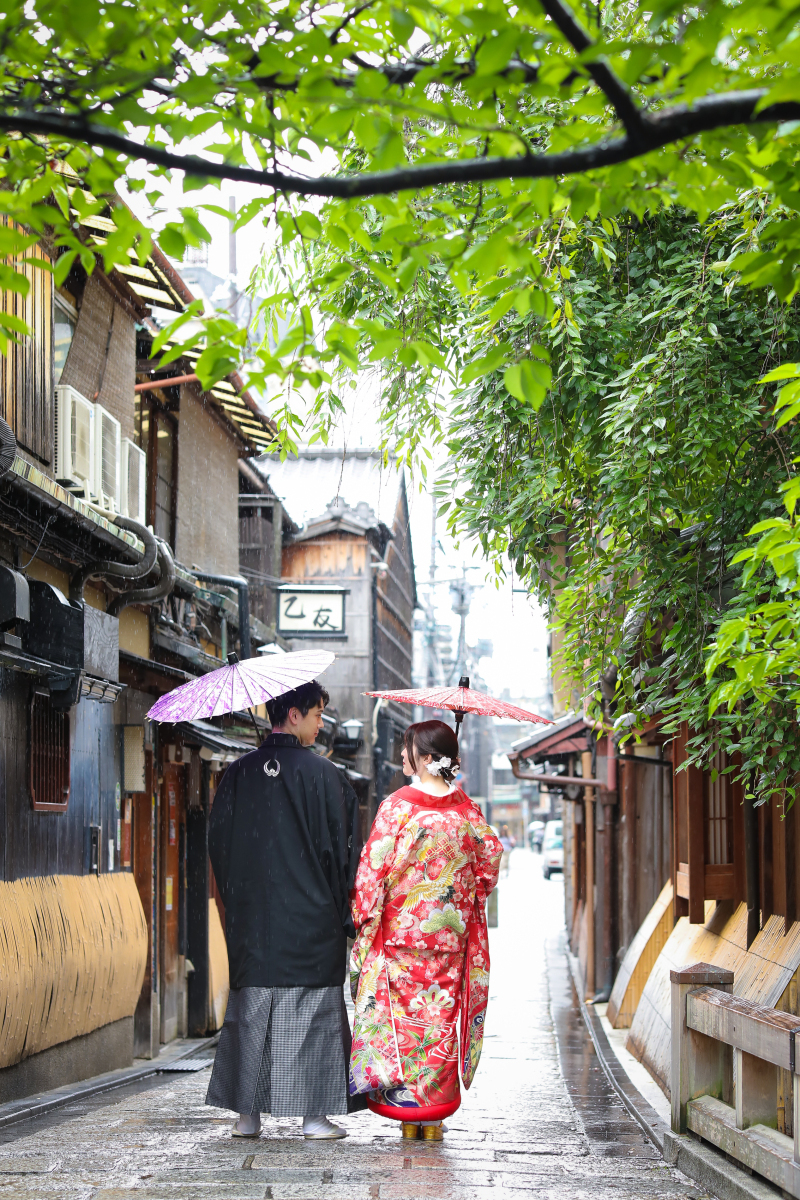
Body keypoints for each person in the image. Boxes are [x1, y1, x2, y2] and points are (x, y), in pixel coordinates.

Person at [205, 680, 365, 1141]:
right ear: (293, 715)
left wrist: (237, 902)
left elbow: (219, 846)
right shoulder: (327, 777)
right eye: (317, 714)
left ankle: (246, 1115)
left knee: (252, 1013)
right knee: (313, 1017)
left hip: (253, 919)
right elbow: (345, 853)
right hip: (312, 921)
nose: (320, 723)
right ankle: (314, 1117)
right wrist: (344, 912)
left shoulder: (237, 774)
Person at [348, 720, 502, 1141]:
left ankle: (407, 1114)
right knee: (439, 1020)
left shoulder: (397, 807)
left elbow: (370, 873)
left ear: (429, 759)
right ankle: (432, 1117)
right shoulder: (467, 811)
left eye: (409, 750)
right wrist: (464, 899)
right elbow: (489, 862)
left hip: (401, 939)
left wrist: (366, 918)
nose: (402, 756)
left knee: (401, 1020)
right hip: (449, 939)